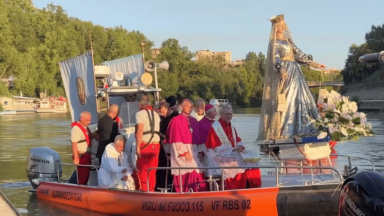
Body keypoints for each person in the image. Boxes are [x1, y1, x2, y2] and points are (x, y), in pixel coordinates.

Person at [258, 14, 327, 141]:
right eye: (281, 25)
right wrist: (281, 71)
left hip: (296, 72)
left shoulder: (287, 40)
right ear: (275, 27)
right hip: (286, 73)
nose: (283, 27)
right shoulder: (274, 43)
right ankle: (284, 132)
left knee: (301, 99)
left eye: (284, 25)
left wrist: (315, 64)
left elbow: (300, 55)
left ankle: (303, 130)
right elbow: (276, 58)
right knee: (287, 100)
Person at [205, 105, 261, 190]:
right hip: (219, 156)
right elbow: (216, 147)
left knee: (253, 156)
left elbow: (238, 140)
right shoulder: (215, 127)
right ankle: (238, 187)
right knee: (239, 160)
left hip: (231, 153)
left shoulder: (231, 126)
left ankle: (252, 185)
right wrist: (233, 149)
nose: (229, 116)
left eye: (230, 114)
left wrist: (239, 146)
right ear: (221, 114)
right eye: (226, 114)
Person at [165, 99, 207, 192]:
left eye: (192, 107)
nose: (190, 109)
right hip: (181, 152)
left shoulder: (194, 121)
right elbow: (175, 140)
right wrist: (184, 152)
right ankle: (186, 193)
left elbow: (198, 140)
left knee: (199, 169)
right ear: (181, 107)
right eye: (188, 107)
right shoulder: (176, 120)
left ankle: (201, 193)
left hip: (194, 151)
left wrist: (200, 152)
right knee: (189, 169)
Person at [133, 95, 161, 192]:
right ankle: (152, 191)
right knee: (152, 171)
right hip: (156, 145)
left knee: (143, 171)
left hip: (145, 145)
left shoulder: (139, 114)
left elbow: (140, 130)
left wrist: (137, 148)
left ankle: (145, 192)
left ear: (139, 104)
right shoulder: (156, 115)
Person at [70, 111, 98, 185]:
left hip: (87, 155)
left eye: (90, 120)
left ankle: (83, 186)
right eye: (87, 120)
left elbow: (89, 137)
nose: (89, 122)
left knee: (86, 175)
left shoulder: (85, 127)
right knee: (83, 176)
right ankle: (80, 188)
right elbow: (74, 143)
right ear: (81, 119)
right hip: (82, 156)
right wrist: (76, 157)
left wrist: (98, 132)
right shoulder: (76, 129)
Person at [155, 101, 173, 191]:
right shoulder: (159, 119)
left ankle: (168, 185)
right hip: (162, 145)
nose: (162, 114)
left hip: (168, 144)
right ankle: (161, 185)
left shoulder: (171, 119)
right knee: (162, 165)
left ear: (168, 109)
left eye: (163, 112)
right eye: (161, 112)